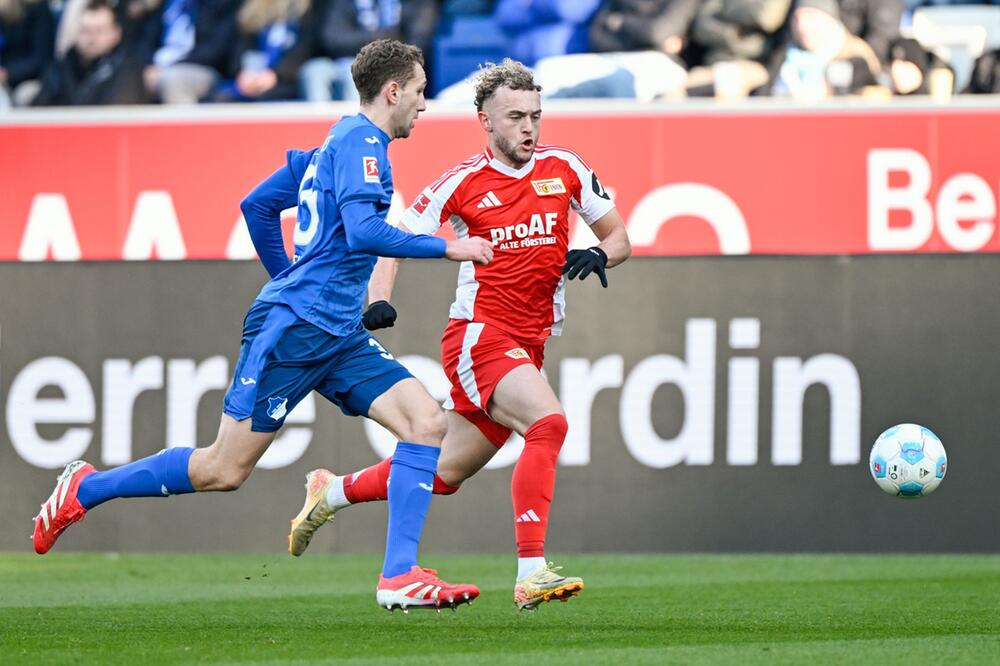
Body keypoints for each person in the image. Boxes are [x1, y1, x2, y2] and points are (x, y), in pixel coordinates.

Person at [32, 39, 493, 613]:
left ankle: (398, 575)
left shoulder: (330, 145)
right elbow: (364, 233)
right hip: (296, 330)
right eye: (421, 93)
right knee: (222, 470)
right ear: (393, 91)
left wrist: (290, 278)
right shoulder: (362, 144)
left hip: (337, 330)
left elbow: (256, 205)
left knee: (425, 423)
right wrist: (449, 248)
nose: (424, 106)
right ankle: (84, 489)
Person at [288, 58, 631, 611]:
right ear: (485, 122)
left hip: (529, 341)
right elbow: (390, 238)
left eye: (535, 116)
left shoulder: (565, 169)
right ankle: (532, 571)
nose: (528, 128)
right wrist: (378, 299)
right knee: (548, 424)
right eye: (515, 116)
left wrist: (597, 251)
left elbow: (619, 238)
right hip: (480, 336)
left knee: (443, 473)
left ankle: (331, 492)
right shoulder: (463, 181)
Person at [34, 0, 148, 106]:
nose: (91, 39)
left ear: (116, 34)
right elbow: (39, 109)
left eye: (99, 31)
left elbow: (115, 117)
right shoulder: (63, 66)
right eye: (86, 31)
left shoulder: (128, 69)